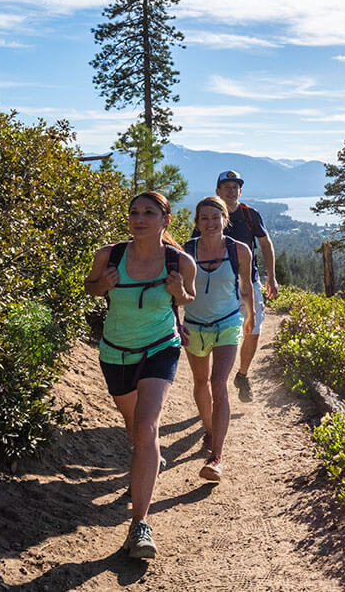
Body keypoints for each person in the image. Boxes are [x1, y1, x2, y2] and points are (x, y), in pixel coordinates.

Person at [83, 191, 195, 560]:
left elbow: (188, 297)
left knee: (147, 428)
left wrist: (179, 292)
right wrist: (105, 285)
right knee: (134, 428)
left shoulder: (179, 261)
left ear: (165, 220)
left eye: (149, 212)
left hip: (160, 347)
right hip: (115, 352)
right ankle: (145, 461)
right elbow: (91, 287)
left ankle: (139, 525)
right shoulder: (109, 255)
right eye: (134, 212)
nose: (139, 219)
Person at [180, 196, 255, 481]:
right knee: (200, 383)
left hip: (227, 323)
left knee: (217, 381)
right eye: (204, 219)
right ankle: (210, 431)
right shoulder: (185, 252)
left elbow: (246, 287)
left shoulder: (240, 250)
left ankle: (216, 456)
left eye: (215, 217)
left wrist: (250, 317)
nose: (210, 223)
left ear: (226, 219)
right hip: (195, 326)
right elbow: (174, 291)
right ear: (197, 223)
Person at [214, 170, 278, 402]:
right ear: (218, 191)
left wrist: (271, 277)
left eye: (235, 187)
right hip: (218, 284)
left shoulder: (249, 215)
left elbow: (265, 243)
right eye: (227, 186)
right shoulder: (210, 214)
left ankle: (242, 375)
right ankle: (218, 379)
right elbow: (194, 247)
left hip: (248, 281)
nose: (232, 190)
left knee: (253, 331)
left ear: (239, 191)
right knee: (219, 333)